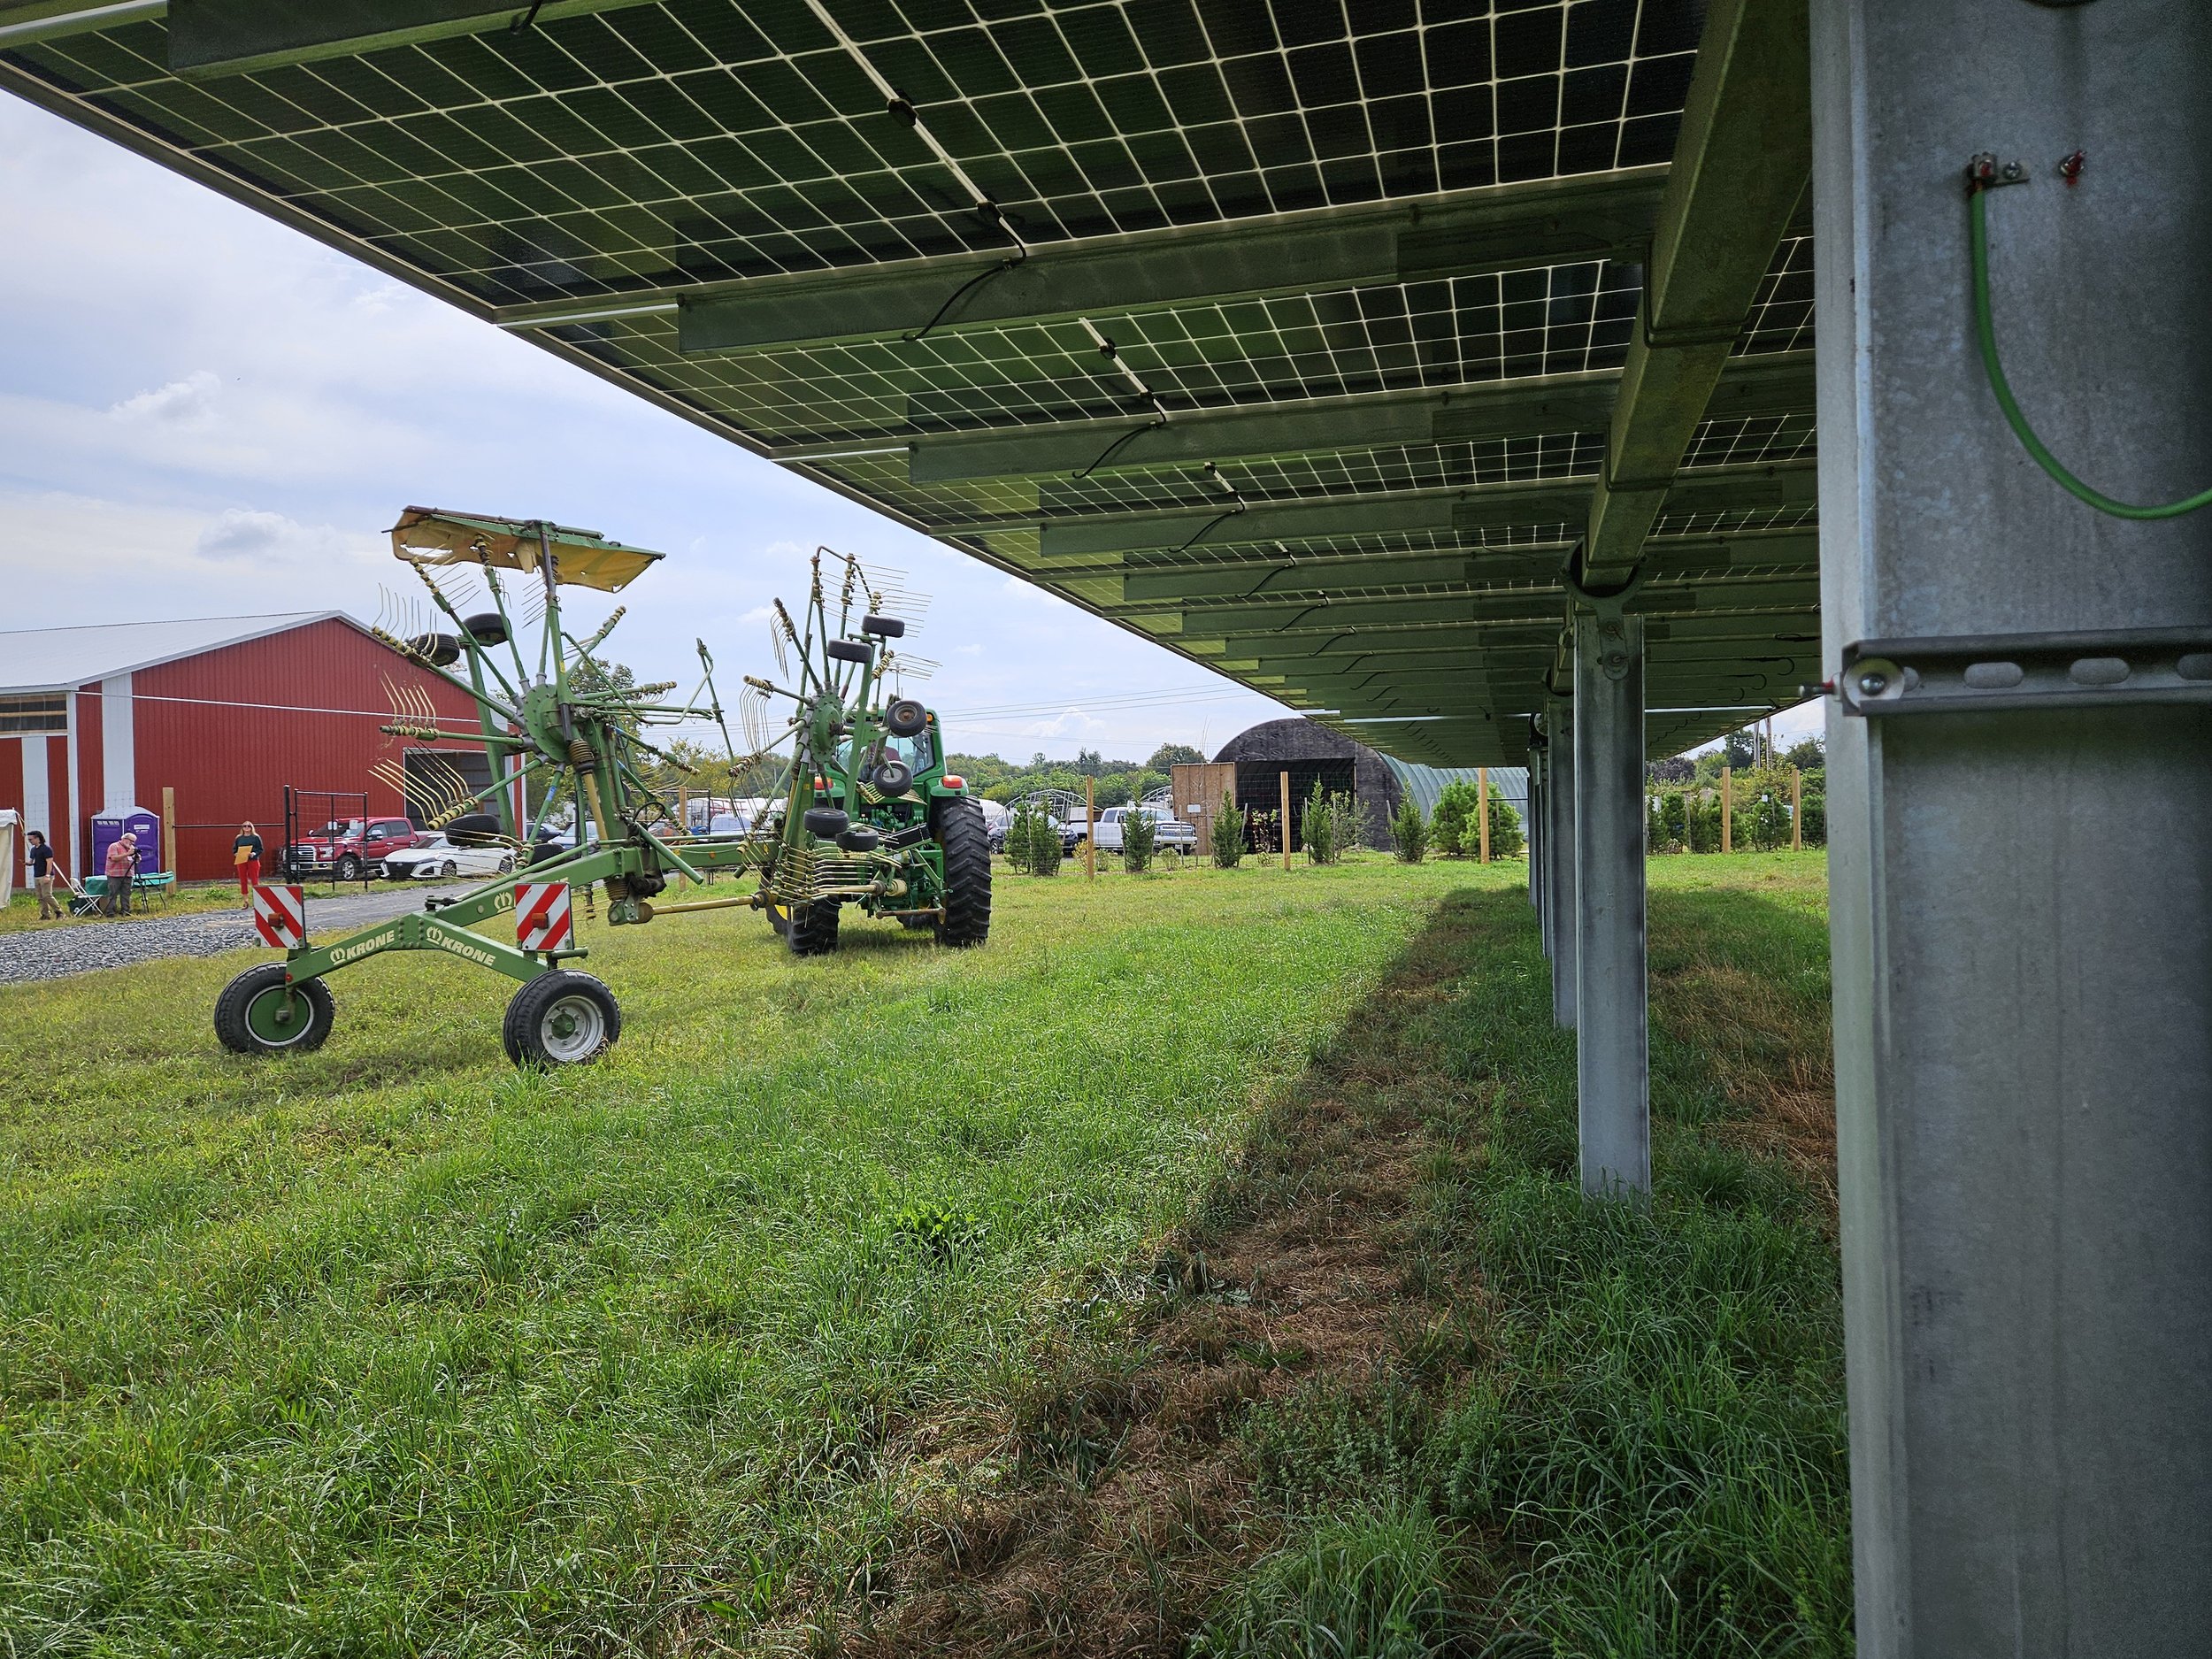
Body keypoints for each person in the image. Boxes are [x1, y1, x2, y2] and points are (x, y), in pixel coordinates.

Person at [27, 830, 63, 920]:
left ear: (37, 838)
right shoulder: (33, 849)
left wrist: (47, 875)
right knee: (40, 897)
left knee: (46, 895)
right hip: (37, 875)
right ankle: (45, 914)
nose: (29, 841)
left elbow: (49, 862)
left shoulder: (46, 849)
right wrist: (27, 863)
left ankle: (59, 912)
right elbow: (31, 861)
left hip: (45, 875)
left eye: (31, 839)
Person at [102, 831, 138, 918]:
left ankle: (126, 911)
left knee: (126, 893)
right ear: (125, 839)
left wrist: (137, 857)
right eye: (131, 841)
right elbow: (114, 858)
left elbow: (135, 860)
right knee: (113, 894)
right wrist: (127, 854)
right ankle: (110, 912)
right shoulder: (114, 846)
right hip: (114, 874)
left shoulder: (131, 848)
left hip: (128, 874)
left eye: (133, 842)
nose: (132, 843)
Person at [233, 820, 265, 907]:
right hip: (242, 860)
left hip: (253, 860)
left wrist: (254, 853)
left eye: (249, 826)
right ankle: (245, 900)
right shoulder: (239, 838)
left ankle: (257, 900)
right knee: (243, 879)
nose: (247, 828)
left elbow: (260, 849)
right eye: (245, 826)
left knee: (254, 879)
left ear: (251, 828)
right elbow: (234, 849)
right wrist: (236, 854)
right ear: (242, 828)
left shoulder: (256, 837)